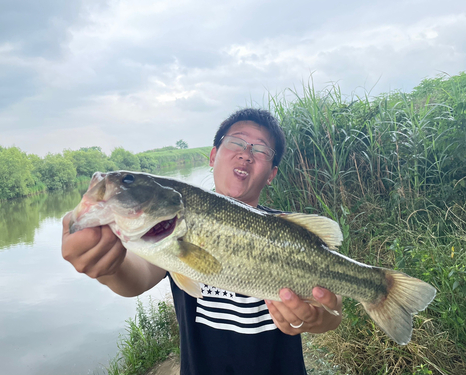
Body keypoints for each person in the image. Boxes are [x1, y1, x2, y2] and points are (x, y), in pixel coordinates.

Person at [61, 108, 342, 375]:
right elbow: (136, 277)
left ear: (271, 174)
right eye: (237, 143)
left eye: (260, 150)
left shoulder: (288, 231)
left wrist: (319, 320)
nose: (246, 154)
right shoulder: (166, 234)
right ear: (213, 156)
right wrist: (109, 269)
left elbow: (333, 310)